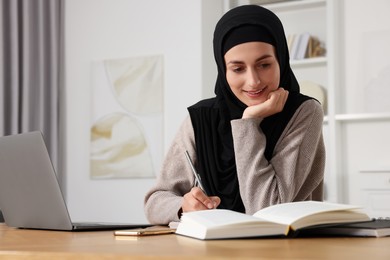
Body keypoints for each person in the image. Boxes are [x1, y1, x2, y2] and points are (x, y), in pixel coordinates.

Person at [144, 5, 325, 225]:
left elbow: (266, 209)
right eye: (238, 69)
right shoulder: (201, 118)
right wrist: (183, 206)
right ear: (223, 70)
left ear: (281, 60)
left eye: (264, 64)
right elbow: (155, 203)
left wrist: (248, 123)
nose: (254, 81)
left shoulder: (303, 112)